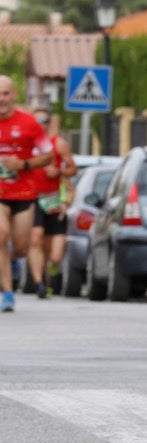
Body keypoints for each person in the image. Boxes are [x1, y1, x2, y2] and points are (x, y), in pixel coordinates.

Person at [0, 78, 52, 312]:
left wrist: (24, 164)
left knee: (21, 247)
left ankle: (12, 261)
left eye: (5, 93)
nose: (1, 98)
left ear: (14, 95)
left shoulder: (29, 123)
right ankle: (7, 293)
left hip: (23, 192)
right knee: (0, 235)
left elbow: (48, 155)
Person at [27, 109, 76, 298]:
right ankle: (39, 283)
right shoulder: (25, 145)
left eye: (44, 120)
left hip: (55, 198)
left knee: (54, 254)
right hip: (32, 198)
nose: (40, 123)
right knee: (36, 237)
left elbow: (72, 169)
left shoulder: (59, 144)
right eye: (36, 120)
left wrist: (58, 172)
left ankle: (50, 271)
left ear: (49, 123)